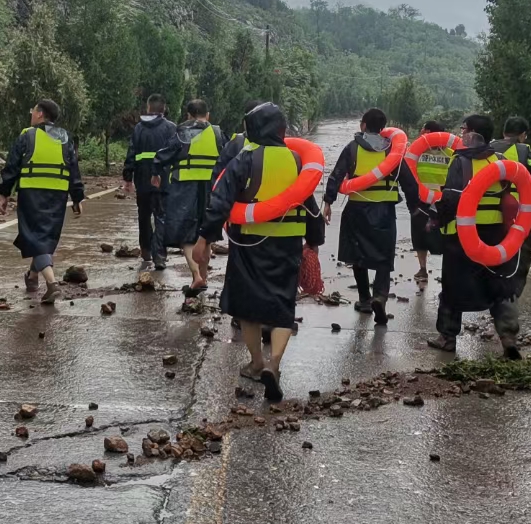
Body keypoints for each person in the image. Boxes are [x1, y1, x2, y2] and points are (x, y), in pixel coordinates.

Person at [194, 102, 325, 402]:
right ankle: (275, 363)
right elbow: (310, 206)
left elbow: (221, 200)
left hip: (249, 245)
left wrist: (205, 238)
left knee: (248, 307)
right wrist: (313, 242)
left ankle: (256, 363)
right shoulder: (296, 161)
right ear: (281, 130)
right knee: (282, 305)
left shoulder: (245, 159)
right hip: (288, 246)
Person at [428, 114, 522, 359]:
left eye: (464, 129)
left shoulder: (460, 162)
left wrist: (434, 220)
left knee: (452, 287)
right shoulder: (500, 162)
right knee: (499, 286)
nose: (461, 133)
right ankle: (508, 337)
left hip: (463, 238)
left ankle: (447, 337)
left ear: (472, 134)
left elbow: (450, 199)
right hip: (495, 236)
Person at [0, 98, 85, 304]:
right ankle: (32, 276)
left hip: (32, 193)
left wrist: (4, 192)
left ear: (40, 114)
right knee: (44, 236)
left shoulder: (28, 135)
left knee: (35, 236)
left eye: (32, 111)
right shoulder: (65, 138)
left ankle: (52, 284)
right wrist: (77, 196)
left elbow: (12, 166)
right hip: (58, 196)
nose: (31, 114)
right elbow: (73, 168)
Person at [323, 108, 399, 325]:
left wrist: (328, 202)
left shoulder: (353, 148)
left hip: (357, 210)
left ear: (363, 125)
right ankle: (380, 296)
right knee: (384, 257)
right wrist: (418, 206)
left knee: (358, 254)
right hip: (384, 211)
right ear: (383, 128)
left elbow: (337, 175)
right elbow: (409, 181)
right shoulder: (392, 152)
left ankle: (365, 299)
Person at [157, 99, 228, 293]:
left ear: (188, 115)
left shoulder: (181, 132)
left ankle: (196, 275)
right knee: (207, 233)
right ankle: (203, 277)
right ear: (208, 115)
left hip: (184, 187)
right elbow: (230, 158)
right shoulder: (217, 133)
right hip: (212, 188)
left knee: (186, 235)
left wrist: (155, 172)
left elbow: (164, 154)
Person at [489, 115, 531, 296]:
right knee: (519, 259)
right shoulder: (525, 153)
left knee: (491, 258)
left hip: (487, 215)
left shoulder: (487, 149)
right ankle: (510, 299)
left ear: (504, 132)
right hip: (519, 218)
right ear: (523, 135)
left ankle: (493, 298)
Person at [123, 94, 177, 271]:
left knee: (144, 216)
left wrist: (127, 177)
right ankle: (159, 256)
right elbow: (175, 154)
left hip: (142, 180)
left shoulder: (139, 128)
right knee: (161, 217)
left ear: (148, 108)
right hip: (163, 181)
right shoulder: (171, 128)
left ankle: (145, 251)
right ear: (163, 109)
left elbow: (131, 152)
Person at [397, 119, 453, 286]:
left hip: (441, 202)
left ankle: (437, 271)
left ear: (429, 133)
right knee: (421, 236)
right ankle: (424, 268)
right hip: (424, 200)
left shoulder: (451, 153)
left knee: (442, 236)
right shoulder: (417, 152)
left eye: (423, 130)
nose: (421, 132)